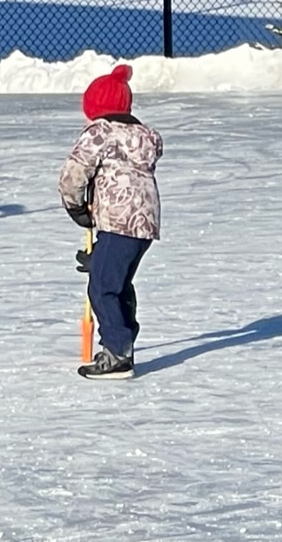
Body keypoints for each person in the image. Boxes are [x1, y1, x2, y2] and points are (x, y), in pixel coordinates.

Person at [58, 62, 162, 380]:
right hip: (143, 223)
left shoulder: (100, 132)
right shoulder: (141, 136)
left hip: (117, 220)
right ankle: (123, 339)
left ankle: (117, 354)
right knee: (116, 282)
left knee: (103, 287)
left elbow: (74, 173)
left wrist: (76, 208)